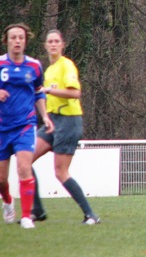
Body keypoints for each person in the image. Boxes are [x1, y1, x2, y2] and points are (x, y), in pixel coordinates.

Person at [31, 29, 100, 224]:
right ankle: (38, 210)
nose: (53, 44)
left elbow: (75, 93)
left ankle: (90, 214)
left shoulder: (66, 65)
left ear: (62, 45)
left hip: (69, 121)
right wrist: (45, 116)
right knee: (25, 159)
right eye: (49, 41)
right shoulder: (49, 70)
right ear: (45, 46)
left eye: (56, 41)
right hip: (52, 121)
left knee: (60, 172)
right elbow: (43, 95)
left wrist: (49, 90)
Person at [0, 23, 54, 229]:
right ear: (6, 41)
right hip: (2, 127)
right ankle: (7, 200)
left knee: (24, 168)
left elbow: (39, 91)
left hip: (25, 124)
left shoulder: (34, 66)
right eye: (13, 38)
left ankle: (26, 217)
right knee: (1, 180)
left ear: (25, 40)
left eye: (21, 38)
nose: (17, 41)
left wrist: (45, 116)